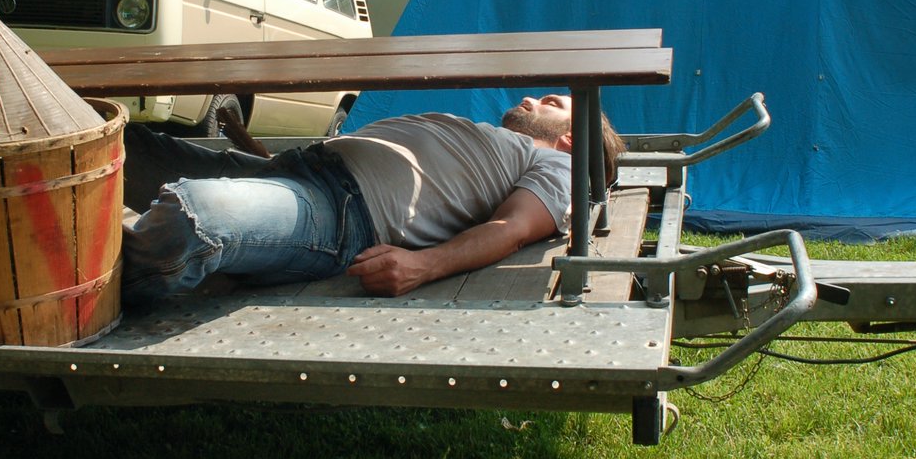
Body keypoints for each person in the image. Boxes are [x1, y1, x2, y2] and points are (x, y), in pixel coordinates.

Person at [120, 96, 625, 303]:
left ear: (571, 138)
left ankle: (71, 286)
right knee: (128, 145)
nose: (532, 100)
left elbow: (510, 230)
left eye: (552, 103)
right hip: (297, 170)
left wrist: (422, 267)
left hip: (338, 217)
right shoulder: (499, 141)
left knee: (195, 217)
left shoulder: (558, 164)